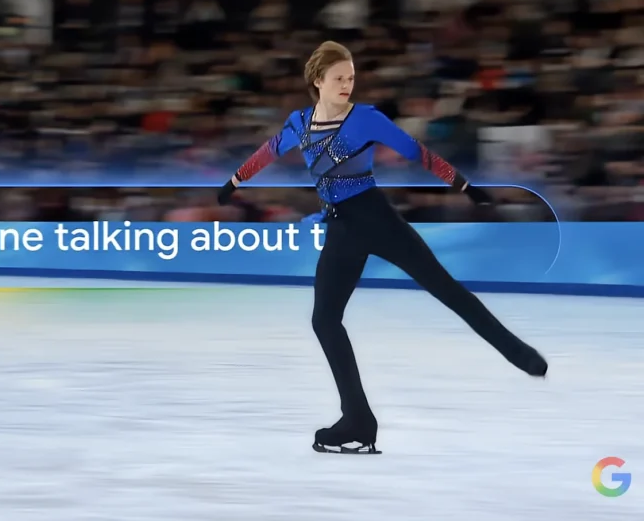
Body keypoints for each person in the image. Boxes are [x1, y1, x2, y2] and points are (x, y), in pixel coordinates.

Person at [216, 41, 548, 455]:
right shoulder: (299, 124)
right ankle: (358, 419)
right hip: (341, 228)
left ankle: (519, 353)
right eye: (339, 78)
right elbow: (268, 151)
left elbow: (417, 153)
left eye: (351, 77)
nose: (347, 85)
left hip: (378, 218)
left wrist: (464, 185)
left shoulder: (366, 118)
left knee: (446, 290)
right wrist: (233, 183)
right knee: (325, 320)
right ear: (317, 80)